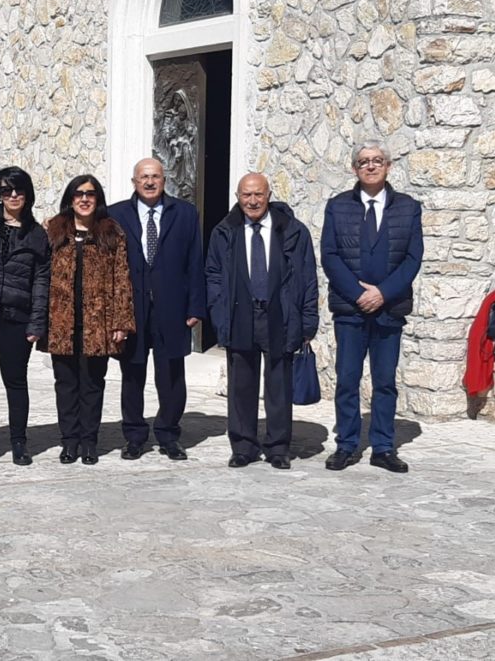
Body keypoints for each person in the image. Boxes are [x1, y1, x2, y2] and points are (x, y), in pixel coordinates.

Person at [321, 140, 423, 474]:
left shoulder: (408, 208)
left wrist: (383, 293)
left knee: (385, 381)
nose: (370, 166)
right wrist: (358, 294)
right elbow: (330, 256)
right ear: (355, 168)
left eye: (377, 160)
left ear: (388, 166)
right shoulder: (338, 206)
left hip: (389, 309)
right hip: (350, 310)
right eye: (363, 161)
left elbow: (413, 258)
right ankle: (346, 445)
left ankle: (383, 446)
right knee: (347, 380)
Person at [206, 173, 319, 470]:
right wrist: (218, 315)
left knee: (279, 386)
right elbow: (213, 276)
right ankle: (243, 447)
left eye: (258, 194)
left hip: (280, 315)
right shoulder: (224, 232)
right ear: (238, 197)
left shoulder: (293, 231)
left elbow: (308, 277)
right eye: (246, 195)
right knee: (241, 386)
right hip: (240, 314)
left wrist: (308, 321)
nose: (253, 201)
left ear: (269, 195)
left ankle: (278, 447)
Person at [111, 157, 205, 461]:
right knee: (132, 375)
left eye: (155, 177)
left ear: (164, 180)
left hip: (172, 309)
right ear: (134, 182)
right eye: (144, 177)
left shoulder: (185, 214)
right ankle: (134, 436)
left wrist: (196, 306)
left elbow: (195, 262)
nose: (150, 182)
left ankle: (168, 434)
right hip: (132, 309)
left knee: (172, 376)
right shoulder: (115, 215)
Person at [45, 175, 134, 464]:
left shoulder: (111, 233)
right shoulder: (54, 231)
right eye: (79, 194)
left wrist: (121, 321)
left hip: (98, 323)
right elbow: (42, 277)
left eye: (90, 194)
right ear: (70, 199)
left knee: (93, 384)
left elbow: (122, 278)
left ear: (98, 199)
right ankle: (69, 441)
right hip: (62, 322)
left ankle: (89, 442)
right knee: (65, 384)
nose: (84, 199)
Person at [0, 167, 50, 465]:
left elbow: (41, 281)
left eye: (19, 190)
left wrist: (37, 323)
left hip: (17, 317)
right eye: (6, 190)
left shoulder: (37, 234)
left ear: (28, 194)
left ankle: (19, 442)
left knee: (15, 380)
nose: (13, 195)